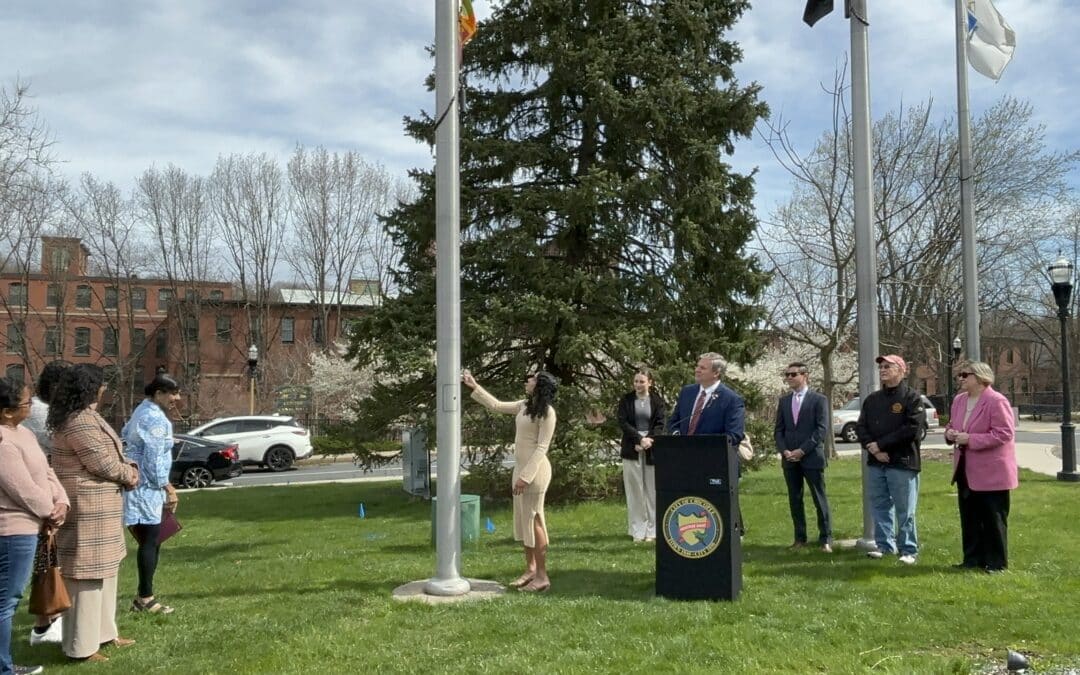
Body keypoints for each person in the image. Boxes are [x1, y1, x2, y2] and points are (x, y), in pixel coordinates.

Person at [47, 365, 139, 663]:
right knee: (85, 579)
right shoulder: (78, 422)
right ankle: (80, 647)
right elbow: (104, 464)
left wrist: (126, 469)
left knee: (106, 575)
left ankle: (103, 634)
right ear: (89, 388)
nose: (104, 389)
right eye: (100, 385)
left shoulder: (86, 416)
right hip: (88, 513)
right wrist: (131, 474)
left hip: (100, 514)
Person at [462, 369, 557, 593]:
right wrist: (474, 386)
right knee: (523, 519)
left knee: (534, 519)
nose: (528, 380)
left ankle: (542, 576)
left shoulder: (548, 413)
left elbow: (542, 447)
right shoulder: (524, 405)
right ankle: (530, 569)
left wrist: (526, 477)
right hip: (520, 469)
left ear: (540, 384)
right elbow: (496, 405)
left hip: (536, 473)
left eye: (532, 378)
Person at [1, 376, 69, 675]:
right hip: (12, 530)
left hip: (33, 525)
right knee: (7, 600)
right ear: (7, 411)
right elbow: (22, 488)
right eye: (26, 403)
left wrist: (61, 501)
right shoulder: (3, 442)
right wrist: (48, 512)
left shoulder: (24, 433)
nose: (31, 406)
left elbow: (46, 471)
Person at [944, 361, 1018, 574]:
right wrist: (949, 434)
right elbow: (952, 425)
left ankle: (996, 563)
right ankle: (972, 559)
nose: (961, 378)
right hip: (964, 468)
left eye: (965, 374)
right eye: (959, 375)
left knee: (992, 518)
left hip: (992, 472)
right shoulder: (959, 401)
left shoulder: (996, 401)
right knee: (969, 516)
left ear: (980, 377)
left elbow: (1004, 433)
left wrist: (971, 439)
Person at [856, 354, 925, 565]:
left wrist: (882, 445)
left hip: (902, 462)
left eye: (888, 366)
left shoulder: (912, 398)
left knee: (905, 509)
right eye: (881, 367)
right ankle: (885, 546)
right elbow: (861, 427)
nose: (883, 370)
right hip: (877, 462)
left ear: (901, 371)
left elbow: (912, 429)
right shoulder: (872, 399)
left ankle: (908, 550)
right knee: (880, 506)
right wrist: (873, 449)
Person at [20, 360, 70, 646]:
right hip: (40, 495)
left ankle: (48, 621)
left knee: (47, 559)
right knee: (46, 559)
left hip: (47, 490)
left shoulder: (41, 411)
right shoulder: (41, 413)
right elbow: (59, 446)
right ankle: (43, 624)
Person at [122, 374, 181, 614]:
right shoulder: (156, 419)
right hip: (147, 489)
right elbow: (154, 458)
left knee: (151, 539)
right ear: (158, 394)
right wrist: (167, 486)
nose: (176, 398)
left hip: (138, 486)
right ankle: (145, 597)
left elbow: (126, 436)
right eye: (172, 393)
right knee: (150, 541)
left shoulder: (140, 412)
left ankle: (143, 597)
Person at [773, 362, 832, 553]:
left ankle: (826, 539)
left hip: (811, 457)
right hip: (790, 459)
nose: (789, 378)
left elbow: (821, 429)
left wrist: (802, 450)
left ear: (805, 375)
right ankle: (800, 538)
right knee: (795, 499)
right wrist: (785, 451)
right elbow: (779, 430)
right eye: (787, 374)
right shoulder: (784, 401)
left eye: (793, 374)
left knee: (819, 498)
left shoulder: (818, 399)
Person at [615, 369, 666, 543]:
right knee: (635, 490)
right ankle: (637, 529)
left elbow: (660, 423)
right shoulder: (626, 400)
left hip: (652, 448)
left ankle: (653, 530)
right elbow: (623, 422)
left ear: (650, 383)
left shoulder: (657, 401)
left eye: (641, 381)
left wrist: (649, 440)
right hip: (632, 447)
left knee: (651, 490)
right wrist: (638, 439)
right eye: (636, 381)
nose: (638, 385)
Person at [667, 352, 745, 446]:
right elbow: (674, 422)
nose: (697, 370)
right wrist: (676, 434)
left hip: (712, 456)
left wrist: (702, 444)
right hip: (683, 453)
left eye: (702, 368)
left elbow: (734, 435)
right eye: (697, 366)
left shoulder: (732, 400)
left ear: (716, 373)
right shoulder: (687, 392)